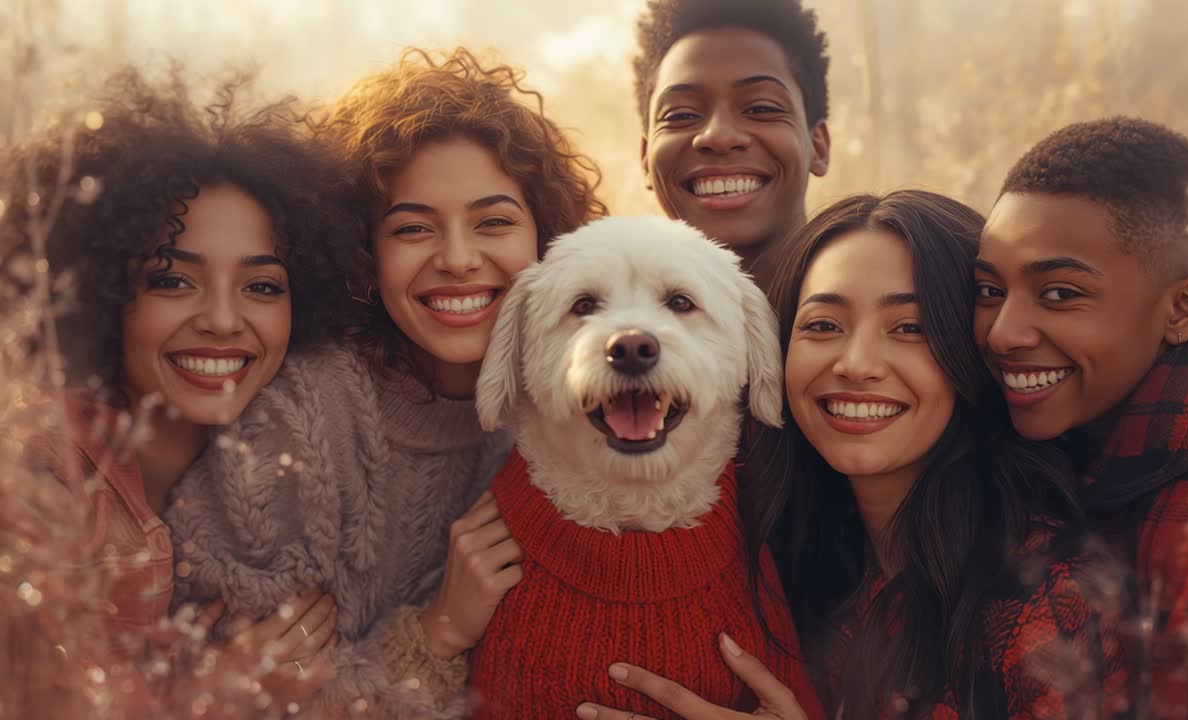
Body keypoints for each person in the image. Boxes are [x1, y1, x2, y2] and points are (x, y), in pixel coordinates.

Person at [164, 47, 606, 717]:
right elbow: (250, 703)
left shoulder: (570, 406)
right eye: (413, 228)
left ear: (546, 239)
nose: (457, 258)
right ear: (365, 252)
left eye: (493, 222)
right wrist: (436, 634)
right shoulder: (299, 422)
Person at [580, 191, 1125, 720]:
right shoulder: (786, 553)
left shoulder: (1048, 596)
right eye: (823, 326)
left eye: (909, 328)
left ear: (970, 352)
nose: (857, 364)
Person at [1, 66, 359, 716]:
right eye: (172, 281)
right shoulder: (36, 479)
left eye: (262, 286)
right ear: (107, 290)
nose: (222, 320)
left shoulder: (306, 461)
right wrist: (217, 690)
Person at [973, 116, 1188, 718]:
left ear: (1184, 307)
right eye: (989, 290)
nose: (1003, 333)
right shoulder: (1017, 440)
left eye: (1059, 293)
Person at [631, 0, 831, 289]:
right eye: (682, 114)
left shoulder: (887, 297)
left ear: (818, 146)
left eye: (761, 108)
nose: (719, 137)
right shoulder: (601, 311)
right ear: (645, 158)